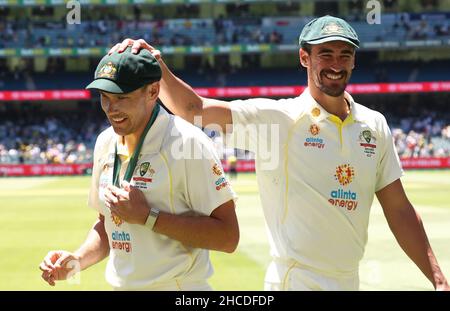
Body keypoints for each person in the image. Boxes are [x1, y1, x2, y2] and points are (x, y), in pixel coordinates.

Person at [110, 15, 449, 291]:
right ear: (305, 57)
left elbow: (399, 210)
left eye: (344, 54)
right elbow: (193, 110)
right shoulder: (278, 120)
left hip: (348, 282)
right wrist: (157, 65)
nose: (336, 64)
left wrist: (437, 277)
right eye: (325, 54)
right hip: (295, 281)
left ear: (354, 60)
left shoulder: (373, 125)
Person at [39, 47, 239, 290]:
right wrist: (77, 260)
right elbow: (109, 223)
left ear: (153, 91)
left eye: (122, 97)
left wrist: (147, 217)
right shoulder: (105, 142)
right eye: (105, 97)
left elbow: (228, 237)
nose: (111, 109)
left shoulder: (187, 143)